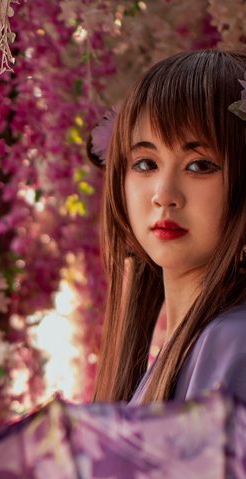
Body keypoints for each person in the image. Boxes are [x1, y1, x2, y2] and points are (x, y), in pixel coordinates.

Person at [91, 49, 246, 405]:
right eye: (146, 164)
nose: (164, 195)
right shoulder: (188, 344)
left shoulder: (232, 341)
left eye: (200, 166)